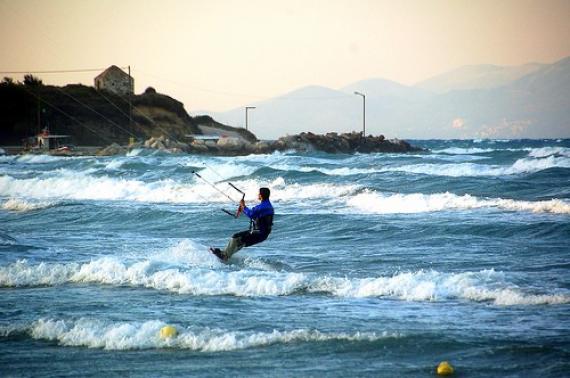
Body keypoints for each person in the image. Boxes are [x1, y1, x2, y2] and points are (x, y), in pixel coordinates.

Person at [210, 187, 274, 261]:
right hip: (262, 234)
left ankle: (225, 256)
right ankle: (226, 254)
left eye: (258, 193)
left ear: (261, 195)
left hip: (258, 234)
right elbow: (254, 214)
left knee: (236, 237)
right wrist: (243, 208)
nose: (257, 195)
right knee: (240, 241)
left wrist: (243, 206)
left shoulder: (262, 207)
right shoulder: (268, 206)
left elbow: (251, 214)